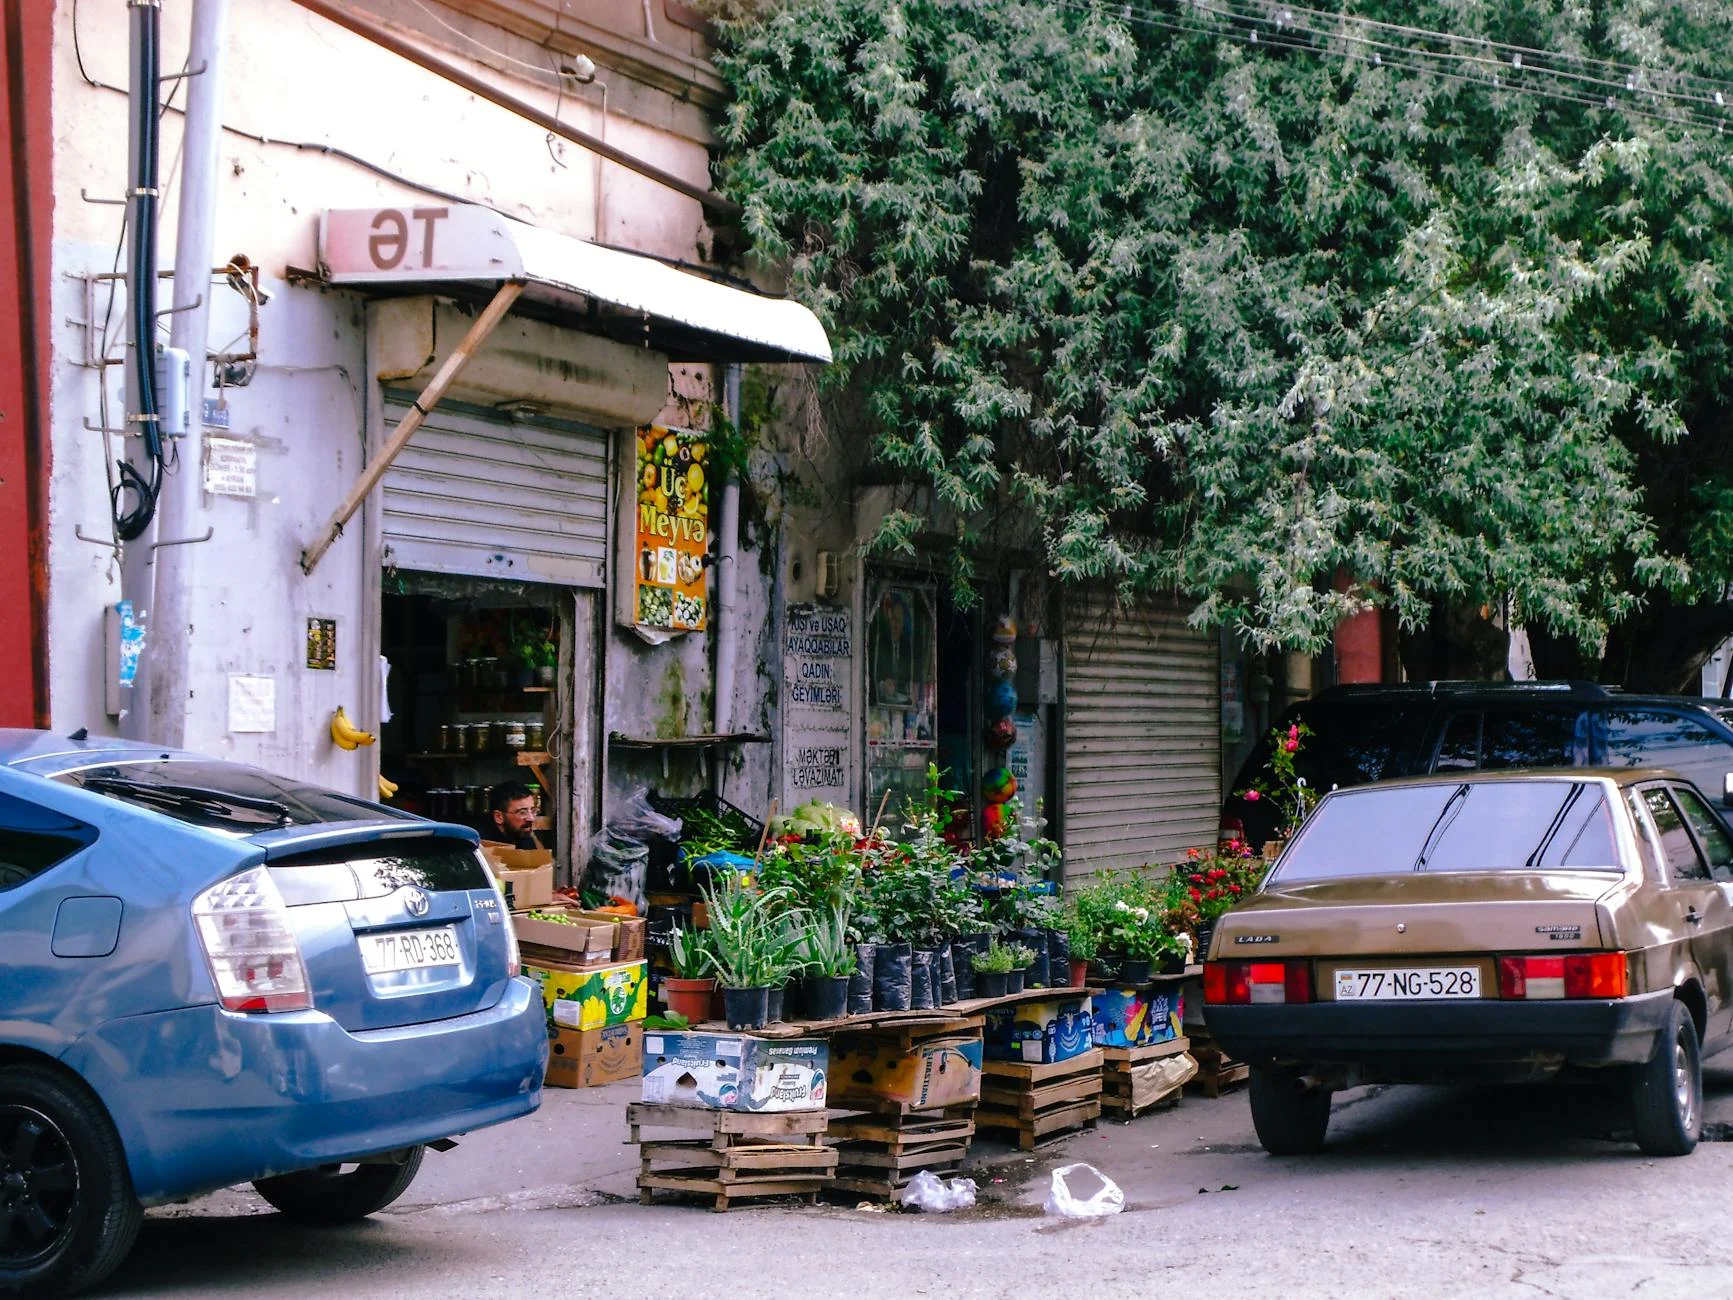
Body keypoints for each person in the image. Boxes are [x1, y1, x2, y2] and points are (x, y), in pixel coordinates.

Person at [487, 781, 540, 850]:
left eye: (533, 811)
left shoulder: (523, 836)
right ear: (499, 817)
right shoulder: (483, 845)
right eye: (522, 812)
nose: (531, 818)